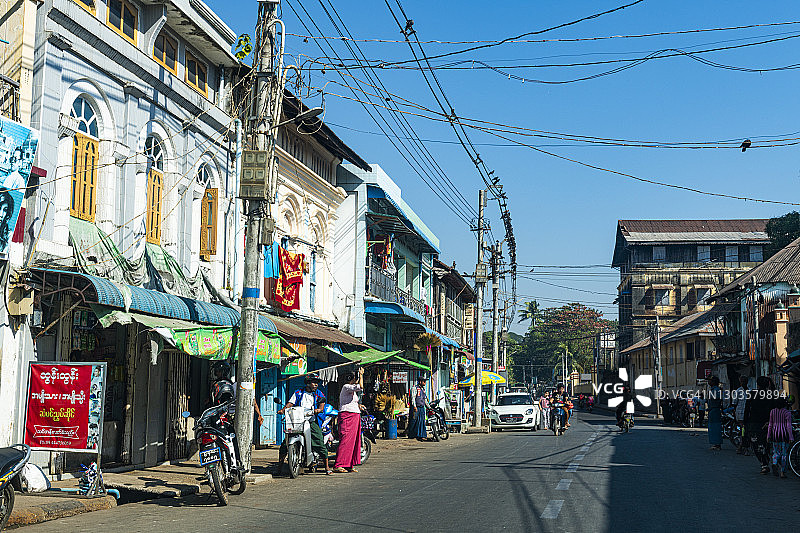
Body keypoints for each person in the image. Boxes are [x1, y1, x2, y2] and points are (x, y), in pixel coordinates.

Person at [279, 376, 331, 475]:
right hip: (298, 420)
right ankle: (279, 468)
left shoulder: (318, 393)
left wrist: (318, 410)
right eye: (313, 382)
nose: (316, 384)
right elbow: (290, 403)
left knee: (319, 442)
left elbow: (322, 404)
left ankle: (327, 467)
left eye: (317, 382)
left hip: (311, 421)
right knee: (284, 444)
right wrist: (283, 409)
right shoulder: (298, 392)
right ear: (307, 383)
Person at [209, 360, 263, 426]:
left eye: (217, 371)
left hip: (227, 415)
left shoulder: (229, 384)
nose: (216, 373)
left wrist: (259, 414)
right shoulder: (221, 383)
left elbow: (253, 401)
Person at [744, 376, 777, 475]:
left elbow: (747, 409)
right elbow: (775, 409)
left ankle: (764, 464)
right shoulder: (771, 394)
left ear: (757, 384)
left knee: (757, 444)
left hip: (754, 423)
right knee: (766, 443)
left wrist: (745, 422)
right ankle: (770, 461)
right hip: (768, 423)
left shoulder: (752, 393)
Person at [334, 368, 364, 473]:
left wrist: (359, 405)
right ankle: (339, 464)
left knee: (354, 440)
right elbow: (360, 386)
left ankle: (349, 464)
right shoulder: (346, 387)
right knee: (346, 439)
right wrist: (361, 375)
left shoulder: (352, 391)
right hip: (347, 415)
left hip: (355, 415)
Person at [767, 396, 794, 478]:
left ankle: (774, 463)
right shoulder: (787, 413)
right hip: (784, 435)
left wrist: (768, 435)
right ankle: (782, 472)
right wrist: (791, 437)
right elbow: (788, 425)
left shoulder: (772, 412)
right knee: (784, 454)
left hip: (775, 435)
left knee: (776, 452)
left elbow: (770, 424)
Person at [731, 376, 749, 454]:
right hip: (740, 413)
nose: (743, 382)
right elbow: (734, 403)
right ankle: (742, 446)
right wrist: (734, 413)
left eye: (745, 381)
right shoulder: (738, 391)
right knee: (743, 430)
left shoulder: (750, 391)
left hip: (747, 413)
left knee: (746, 431)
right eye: (742, 381)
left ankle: (742, 446)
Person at [707, 377, 723, 450]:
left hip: (715, 410)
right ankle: (715, 443)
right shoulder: (713, 390)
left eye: (709, 380)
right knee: (712, 427)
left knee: (715, 427)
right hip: (712, 410)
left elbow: (717, 399)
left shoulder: (716, 390)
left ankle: (717, 444)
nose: (708, 382)